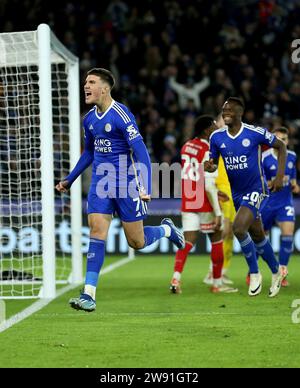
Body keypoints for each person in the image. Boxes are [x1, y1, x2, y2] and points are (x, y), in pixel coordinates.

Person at [56, 68, 185, 312]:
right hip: (100, 184)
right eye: (85, 82)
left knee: (136, 241)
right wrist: (70, 179)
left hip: (126, 182)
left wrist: (146, 184)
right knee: (96, 231)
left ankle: (167, 229)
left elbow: (141, 152)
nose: (86, 85)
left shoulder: (121, 115)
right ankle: (89, 294)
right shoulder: (89, 119)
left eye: (91, 82)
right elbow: (89, 153)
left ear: (104, 88)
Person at [205, 97, 287, 298]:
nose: (225, 113)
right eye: (223, 110)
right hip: (236, 194)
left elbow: (281, 147)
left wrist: (279, 177)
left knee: (238, 228)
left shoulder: (255, 132)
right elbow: (213, 162)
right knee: (257, 234)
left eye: (229, 110)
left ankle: (254, 273)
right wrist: (210, 166)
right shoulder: (216, 138)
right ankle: (276, 271)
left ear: (240, 113)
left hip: (256, 189)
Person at [169, 115, 238, 294]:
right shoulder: (208, 149)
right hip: (205, 201)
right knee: (217, 239)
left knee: (188, 241)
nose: (216, 127)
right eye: (214, 125)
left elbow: (192, 173)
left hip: (189, 198)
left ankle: (176, 278)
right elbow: (207, 183)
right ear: (207, 129)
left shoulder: (186, 146)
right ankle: (217, 284)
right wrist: (218, 212)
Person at [261, 127, 300, 286]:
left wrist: (295, 186)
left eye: (284, 139)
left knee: (288, 234)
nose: (281, 141)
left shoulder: (292, 156)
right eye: (278, 138)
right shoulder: (264, 157)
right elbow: (260, 181)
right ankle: (253, 271)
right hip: (267, 203)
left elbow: (292, 179)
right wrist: (269, 183)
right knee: (261, 237)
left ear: (288, 141)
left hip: (285, 202)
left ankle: (282, 271)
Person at [203, 114, 236, 286]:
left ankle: (222, 271)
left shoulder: (232, 141)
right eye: (219, 121)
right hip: (222, 190)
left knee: (230, 233)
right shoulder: (215, 143)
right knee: (223, 231)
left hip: (233, 192)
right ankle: (212, 272)